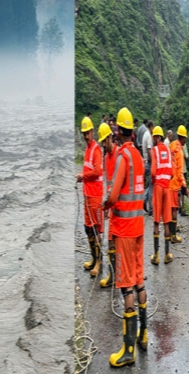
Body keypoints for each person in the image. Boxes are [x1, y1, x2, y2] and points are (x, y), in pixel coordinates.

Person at [104, 107, 147, 367]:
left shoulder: (123, 158)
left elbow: (113, 194)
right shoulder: (139, 157)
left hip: (124, 231)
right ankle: (143, 336)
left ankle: (128, 350)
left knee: (125, 284)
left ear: (118, 131)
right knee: (139, 281)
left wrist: (105, 205)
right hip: (139, 226)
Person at [76, 116, 103, 278]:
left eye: (88, 132)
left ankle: (99, 262)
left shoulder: (96, 149)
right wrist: (83, 177)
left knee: (96, 229)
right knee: (88, 229)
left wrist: (82, 176)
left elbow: (97, 172)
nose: (86, 136)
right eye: (84, 133)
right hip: (87, 196)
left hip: (95, 197)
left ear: (93, 132)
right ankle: (93, 259)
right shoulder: (87, 150)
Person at [98, 122, 119, 288]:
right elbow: (107, 182)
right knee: (111, 240)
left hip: (121, 206)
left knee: (121, 242)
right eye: (102, 142)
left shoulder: (120, 154)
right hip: (111, 205)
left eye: (105, 141)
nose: (104, 145)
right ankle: (112, 275)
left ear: (110, 137)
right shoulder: (106, 158)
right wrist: (106, 207)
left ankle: (122, 275)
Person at [150, 126, 174, 264]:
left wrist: (155, 182)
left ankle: (156, 256)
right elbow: (171, 173)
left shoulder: (155, 150)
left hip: (158, 186)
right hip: (167, 186)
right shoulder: (168, 150)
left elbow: (153, 172)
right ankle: (166, 255)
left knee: (156, 221)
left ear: (156, 137)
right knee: (166, 221)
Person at [169, 126, 189, 243]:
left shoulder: (171, 145)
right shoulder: (180, 151)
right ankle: (173, 236)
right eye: (185, 138)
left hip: (168, 182)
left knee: (170, 210)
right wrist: (185, 187)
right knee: (174, 210)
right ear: (183, 138)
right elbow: (180, 172)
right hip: (175, 184)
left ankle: (171, 233)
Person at [143, 121, 155, 215]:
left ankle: (144, 200)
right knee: (151, 186)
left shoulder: (145, 134)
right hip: (149, 162)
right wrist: (153, 161)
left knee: (149, 184)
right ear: (151, 127)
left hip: (145, 162)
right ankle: (151, 208)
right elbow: (149, 149)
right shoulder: (149, 136)